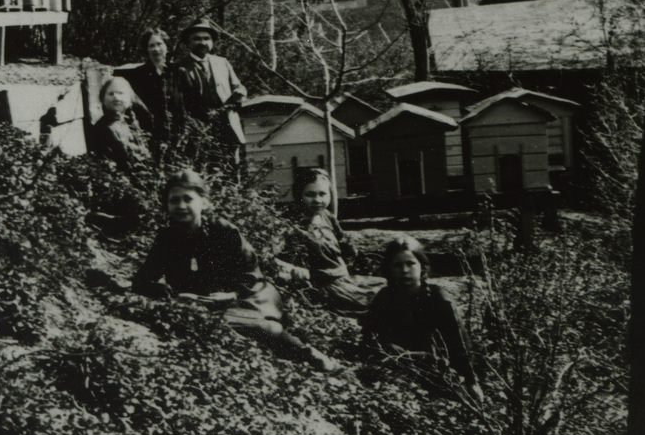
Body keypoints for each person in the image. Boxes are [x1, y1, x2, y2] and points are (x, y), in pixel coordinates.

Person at [132, 170, 340, 372]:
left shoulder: (223, 232)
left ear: (204, 202)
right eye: (174, 201)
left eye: (188, 199)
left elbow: (251, 274)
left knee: (263, 328)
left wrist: (232, 294)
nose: (181, 206)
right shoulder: (167, 239)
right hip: (201, 306)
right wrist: (172, 295)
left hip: (247, 298)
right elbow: (142, 281)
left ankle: (311, 355)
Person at [362, 235, 481, 399]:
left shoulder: (438, 297)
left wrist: (471, 381)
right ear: (389, 269)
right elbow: (369, 337)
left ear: (422, 267)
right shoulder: (385, 297)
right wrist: (387, 345)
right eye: (397, 265)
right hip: (399, 368)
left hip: (436, 367)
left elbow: (459, 341)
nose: (404, 270)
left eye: (410, 263)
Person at [276, 168, 384, 315]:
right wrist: (299, 272)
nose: (318, 200)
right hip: (323, 285)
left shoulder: (327, 216)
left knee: (387, 286)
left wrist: (362, 260)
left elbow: (344, 242)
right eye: (310, 194)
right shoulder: (292, 223)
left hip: (342, 278)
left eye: (323, 194)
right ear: (299, 195)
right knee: (379, 300)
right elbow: (276, 256)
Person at [169, 17, 246, 163]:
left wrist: (236, 100)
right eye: (197, 39)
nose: (202, 43)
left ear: (212, 41)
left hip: (227, 125)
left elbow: (239, 87)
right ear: (188, 42)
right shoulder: (178, 67)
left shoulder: (222, 63)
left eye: (206, 38)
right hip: (197, 130)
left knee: (231, 168)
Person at [115, 27, 172, 158]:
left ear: (167, 46)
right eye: (151, 45)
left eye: (159, 44)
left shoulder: (176, 72)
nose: (156, 49)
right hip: (150, 131)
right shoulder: (138, 75)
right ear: (146, 50)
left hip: (173, 131)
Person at [91, 77, 152, 173]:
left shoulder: (130, 122)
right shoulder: (103, 128)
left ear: (128, 98)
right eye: (111, 94)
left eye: (120, 93)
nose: (116, 97)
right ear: (103, 98)